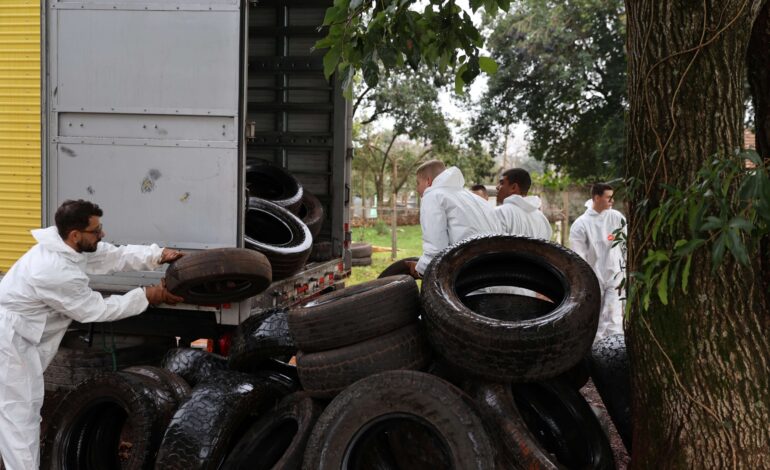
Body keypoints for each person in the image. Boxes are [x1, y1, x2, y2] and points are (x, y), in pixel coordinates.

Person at [0, 199, 185, 470]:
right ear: (75, 235)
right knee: (20, 415)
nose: (102, 234)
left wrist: (156, 255)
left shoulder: (66, 247)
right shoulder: (54, 271)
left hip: (19, 337)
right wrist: (148, 295)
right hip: (10, 342)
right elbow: (95, 310)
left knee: (11, 411)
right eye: (96, 230)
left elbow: (112, 256)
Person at [406, 160, 501, 278]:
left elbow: (435, 251)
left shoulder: (433, 196)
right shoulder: (474, 198)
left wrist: (419, 269)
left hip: (468, 280)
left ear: (428, 181)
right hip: (495, 275)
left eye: (418, 183)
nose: (417, 189)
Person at [569, 183, 627, 342]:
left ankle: (615, 352)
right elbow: (577, 256)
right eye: (608, 197)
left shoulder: (617, 218)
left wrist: (625, 270)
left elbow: (626, 246)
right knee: (596, 316)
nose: (612, 200)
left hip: (616, 274)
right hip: (593, 276)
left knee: (614, 316)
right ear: (596, 197)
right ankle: (595, 352)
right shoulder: (581, 224)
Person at [494, 168, 552, 240]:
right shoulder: (542, 219)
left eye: (502, 183)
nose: (497, 187)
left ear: (513, 187)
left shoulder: (500, 212)